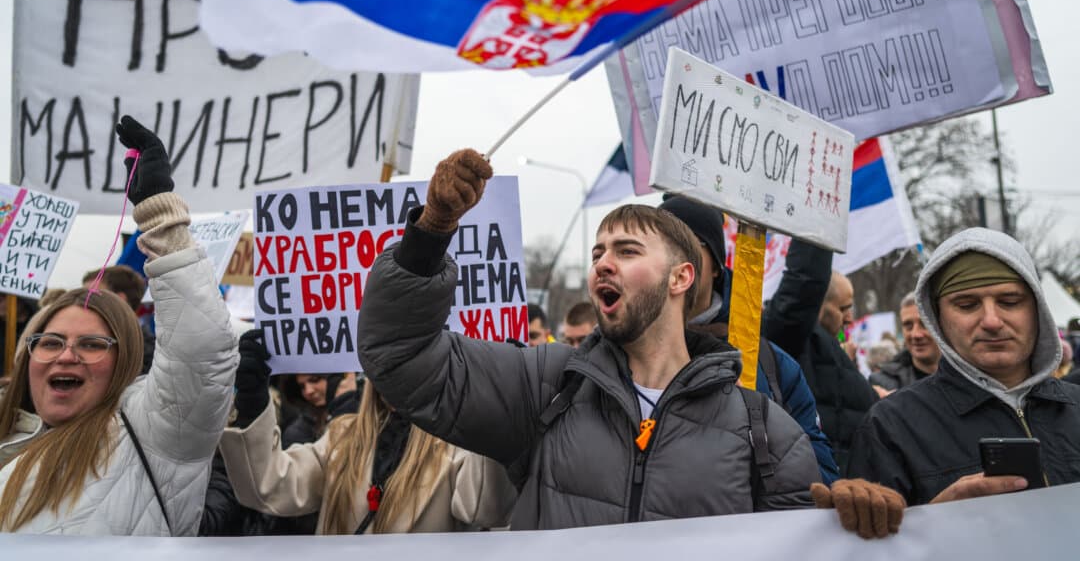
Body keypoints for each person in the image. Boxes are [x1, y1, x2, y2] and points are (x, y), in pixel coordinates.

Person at [355, 149, 902, 537]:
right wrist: (430, 233)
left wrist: (850, 517)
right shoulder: (545, 387)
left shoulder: (765, 429)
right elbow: (399, 356)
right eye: (597, 254)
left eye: (627, 250)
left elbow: (806, 541)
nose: (603, 265)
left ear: (682, 278)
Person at [0, 116, 238, 534]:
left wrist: (161, 217)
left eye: (91, 344)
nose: (67, 355)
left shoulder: (151, 433)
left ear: (123, 360)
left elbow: (202, 351)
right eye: (51, 342)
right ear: (28, 354)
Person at [847, 227, 1080, 505]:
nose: (992, 321)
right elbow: (872, 546)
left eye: (1010, 302)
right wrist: (935, 519)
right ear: (938, 318)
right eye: (967, 305)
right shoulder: (891, 427)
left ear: (1037, 310)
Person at [217, 332, 515, 535]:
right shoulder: (343, 436)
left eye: (408, 362)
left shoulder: (454, 443)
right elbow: (272, 486)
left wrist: (496, 400)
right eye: (386, 363)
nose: (396, 375)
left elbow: (486, 507)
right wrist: (253, 402)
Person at [657, 195, 840, 484]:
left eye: (686, 245)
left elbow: (818, 480)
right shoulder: (616, 356)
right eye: (657, 247)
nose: (670, 259)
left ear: (716, 265)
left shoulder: (772, 364)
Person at [768, 266, 877, 475]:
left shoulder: (834, 351)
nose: (849, 319)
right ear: (816, 305)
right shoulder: (792, 345)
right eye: (843, 308)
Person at [82, 265, 155, 374]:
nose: (83, 302)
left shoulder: (144, 351)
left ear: (119, 299)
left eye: (91, 296)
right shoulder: (82, 338)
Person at [869, 293, 941, 392]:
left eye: (924, 323)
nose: (915, 334)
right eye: (908, 325)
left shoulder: (966, 374)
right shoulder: (883, 384)